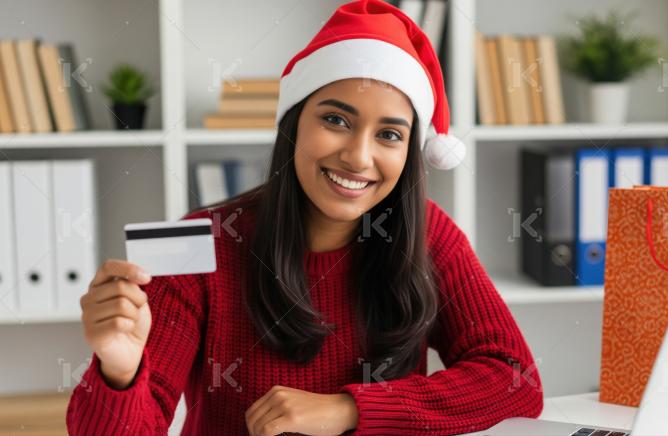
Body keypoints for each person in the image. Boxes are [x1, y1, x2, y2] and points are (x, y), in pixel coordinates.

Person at [66, 1, 543, 434]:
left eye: (390, 135)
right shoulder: (203, 243)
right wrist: (118, 369)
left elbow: (515, 381)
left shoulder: (426, 231)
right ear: (294, 123)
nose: (358, 157)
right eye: (336, 120)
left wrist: (348, 408)